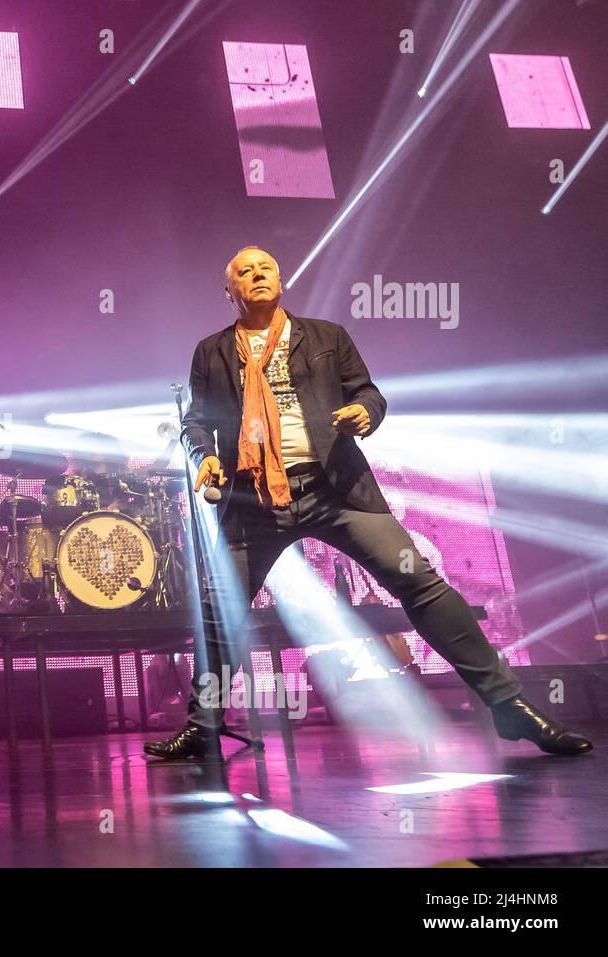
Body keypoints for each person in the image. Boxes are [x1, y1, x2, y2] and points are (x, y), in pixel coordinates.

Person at [144, 246, 592, 760]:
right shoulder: (212, 352)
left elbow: (370, 393)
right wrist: (202, 455)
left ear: (281, 280)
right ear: (231, 293)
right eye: (243, 272)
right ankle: (205, 726)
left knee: (420, 583)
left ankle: (508, 704)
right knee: (220, 610)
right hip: (255, 497)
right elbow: (196, 421)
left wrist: (363, 411)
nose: (256, 274)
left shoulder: (326, 337)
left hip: (334, 487)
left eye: (264, 267)